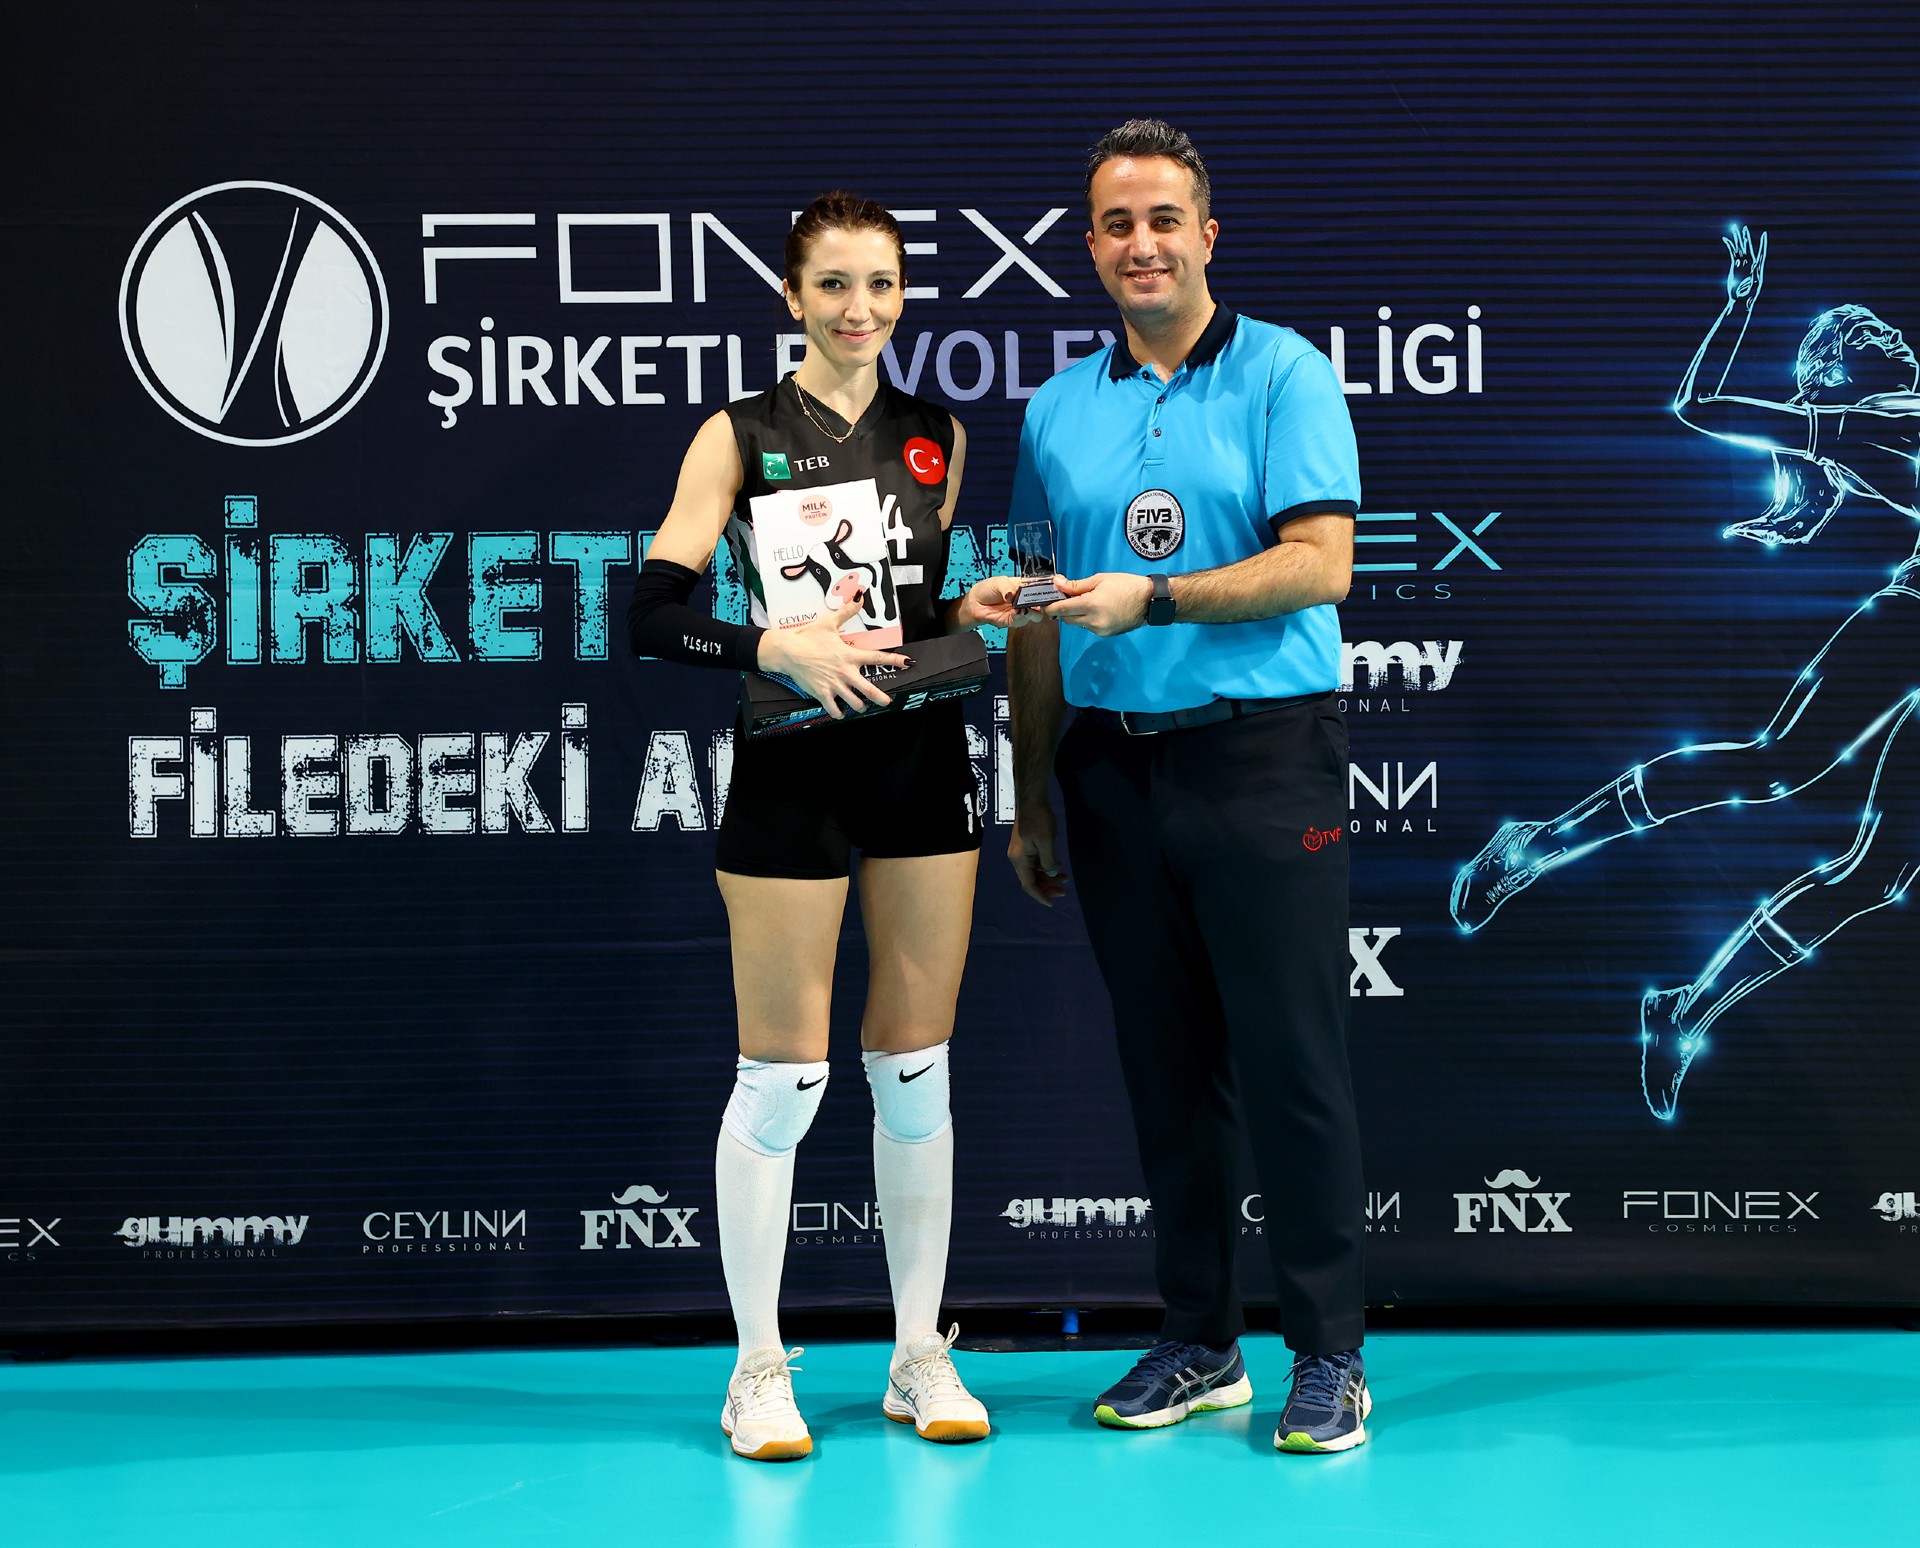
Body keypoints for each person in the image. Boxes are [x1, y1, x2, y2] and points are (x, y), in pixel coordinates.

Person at [628, 191, 1027, 1461]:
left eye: (883, 285)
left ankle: (918, 1355)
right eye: (836, 286)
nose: (862, 310)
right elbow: (651, 612)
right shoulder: (737, 433)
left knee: (915, 1069)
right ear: (792, 297)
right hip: (792, 764)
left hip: (920, 760)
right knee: (784, 1078)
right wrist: (773, 647)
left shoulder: (936, 432)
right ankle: (757, 1369)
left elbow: (916, 609)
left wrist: (973, 606)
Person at [1005, 120, 1372, 1454]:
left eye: (1164, 218)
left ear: (1207, 235)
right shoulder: (1056, 409)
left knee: (1291, 1064)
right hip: (1109, 768)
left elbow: (1321, 563)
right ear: (1091, 246)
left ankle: (1329, 1355)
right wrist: (1030, 788)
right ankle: (1200, 1340)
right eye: (1117, 223)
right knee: (1165, 1072)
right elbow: (1036, 607)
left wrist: (1154, 596)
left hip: (1261, 755)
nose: (1141, 243)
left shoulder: (1286, 373)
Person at [1451, 226, 1920, 1119]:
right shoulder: (1872, 425)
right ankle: (1535, 845)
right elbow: (1699, 405)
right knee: (1778, 765)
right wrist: (1738, 305)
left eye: (1889, 332)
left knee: (1882, 871)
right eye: (1873, 338)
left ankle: (1685, 1010)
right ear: (1845, 373)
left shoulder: (1884, 423)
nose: (1896, 338)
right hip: (1913, 617)